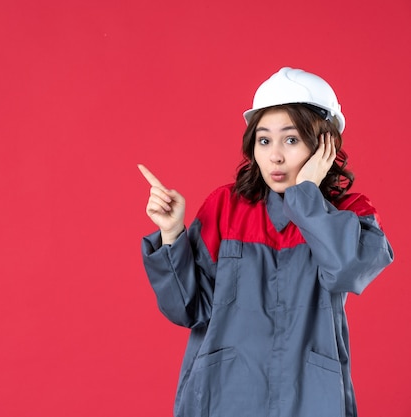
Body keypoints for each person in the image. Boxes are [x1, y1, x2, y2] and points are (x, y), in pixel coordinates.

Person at [138, 67, 394, 417]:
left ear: (324, 144)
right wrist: (171, 234)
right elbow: (187, 309)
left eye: (291, 140)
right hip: (222, 394)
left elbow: (347, 270)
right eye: (264, 140)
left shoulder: (349, 212)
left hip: (309, 397)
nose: (275, 156)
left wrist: (305, 197)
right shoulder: (225, 207)